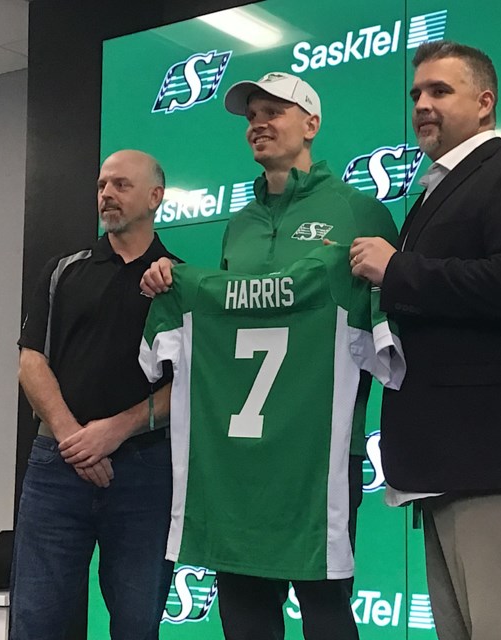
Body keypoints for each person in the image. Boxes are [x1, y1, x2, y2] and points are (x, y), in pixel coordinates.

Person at [349, 41, 501, 640]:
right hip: (448, 463)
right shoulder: (436, 191)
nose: (422, 105)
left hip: (498, 461)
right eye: (416, 95)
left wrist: (398, 271)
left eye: (440, 91)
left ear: (485, 104)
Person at [141, 72, 399, 640]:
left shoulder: (360, 211)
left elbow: (390, 319)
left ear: (311, 124)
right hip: (236, 462)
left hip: (317, 459)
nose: (258, 122)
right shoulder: (240, 225)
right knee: (244, 615)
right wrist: (171, 280)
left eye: (274, 111)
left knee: (327, 611)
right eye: (251, 114)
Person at [11, 149, 180, 640]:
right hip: (56, 469)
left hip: (145, 472)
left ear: (155, 197)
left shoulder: (180, 281)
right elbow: (30, 360)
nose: (106, 194)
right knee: (37, 622)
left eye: (121, 185)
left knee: (136, 624)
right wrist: (74, 439)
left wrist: (115, 430)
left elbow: (188, 386)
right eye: (102, 185)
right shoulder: (63, 270)